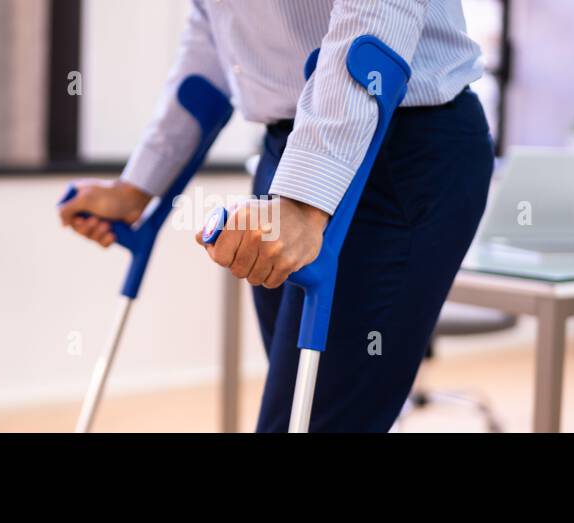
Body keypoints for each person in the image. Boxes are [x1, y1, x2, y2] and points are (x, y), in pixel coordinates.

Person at [58, 0, 494, 432]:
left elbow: (376, 18)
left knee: (307, 420)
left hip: (394, 146)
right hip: (288, 150)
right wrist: (139, 186)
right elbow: (210, 37)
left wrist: (306, 200)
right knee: (306, 408)